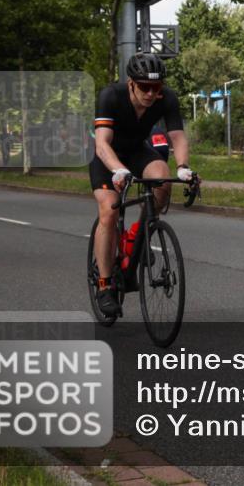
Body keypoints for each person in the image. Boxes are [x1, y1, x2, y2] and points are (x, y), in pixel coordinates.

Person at [90, 53, 194, 318]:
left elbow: (178, 137)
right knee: (109, 211)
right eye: (144, 87)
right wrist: (117, 170)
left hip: (137, 152)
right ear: (131, 83)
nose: (150, 93)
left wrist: (183, 167)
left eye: (156, 88)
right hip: (109, 158)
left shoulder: (166, 98)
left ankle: (138, 235)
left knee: (162, 175)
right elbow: (101, 143)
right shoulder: (111, 96)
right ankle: (104, 285)